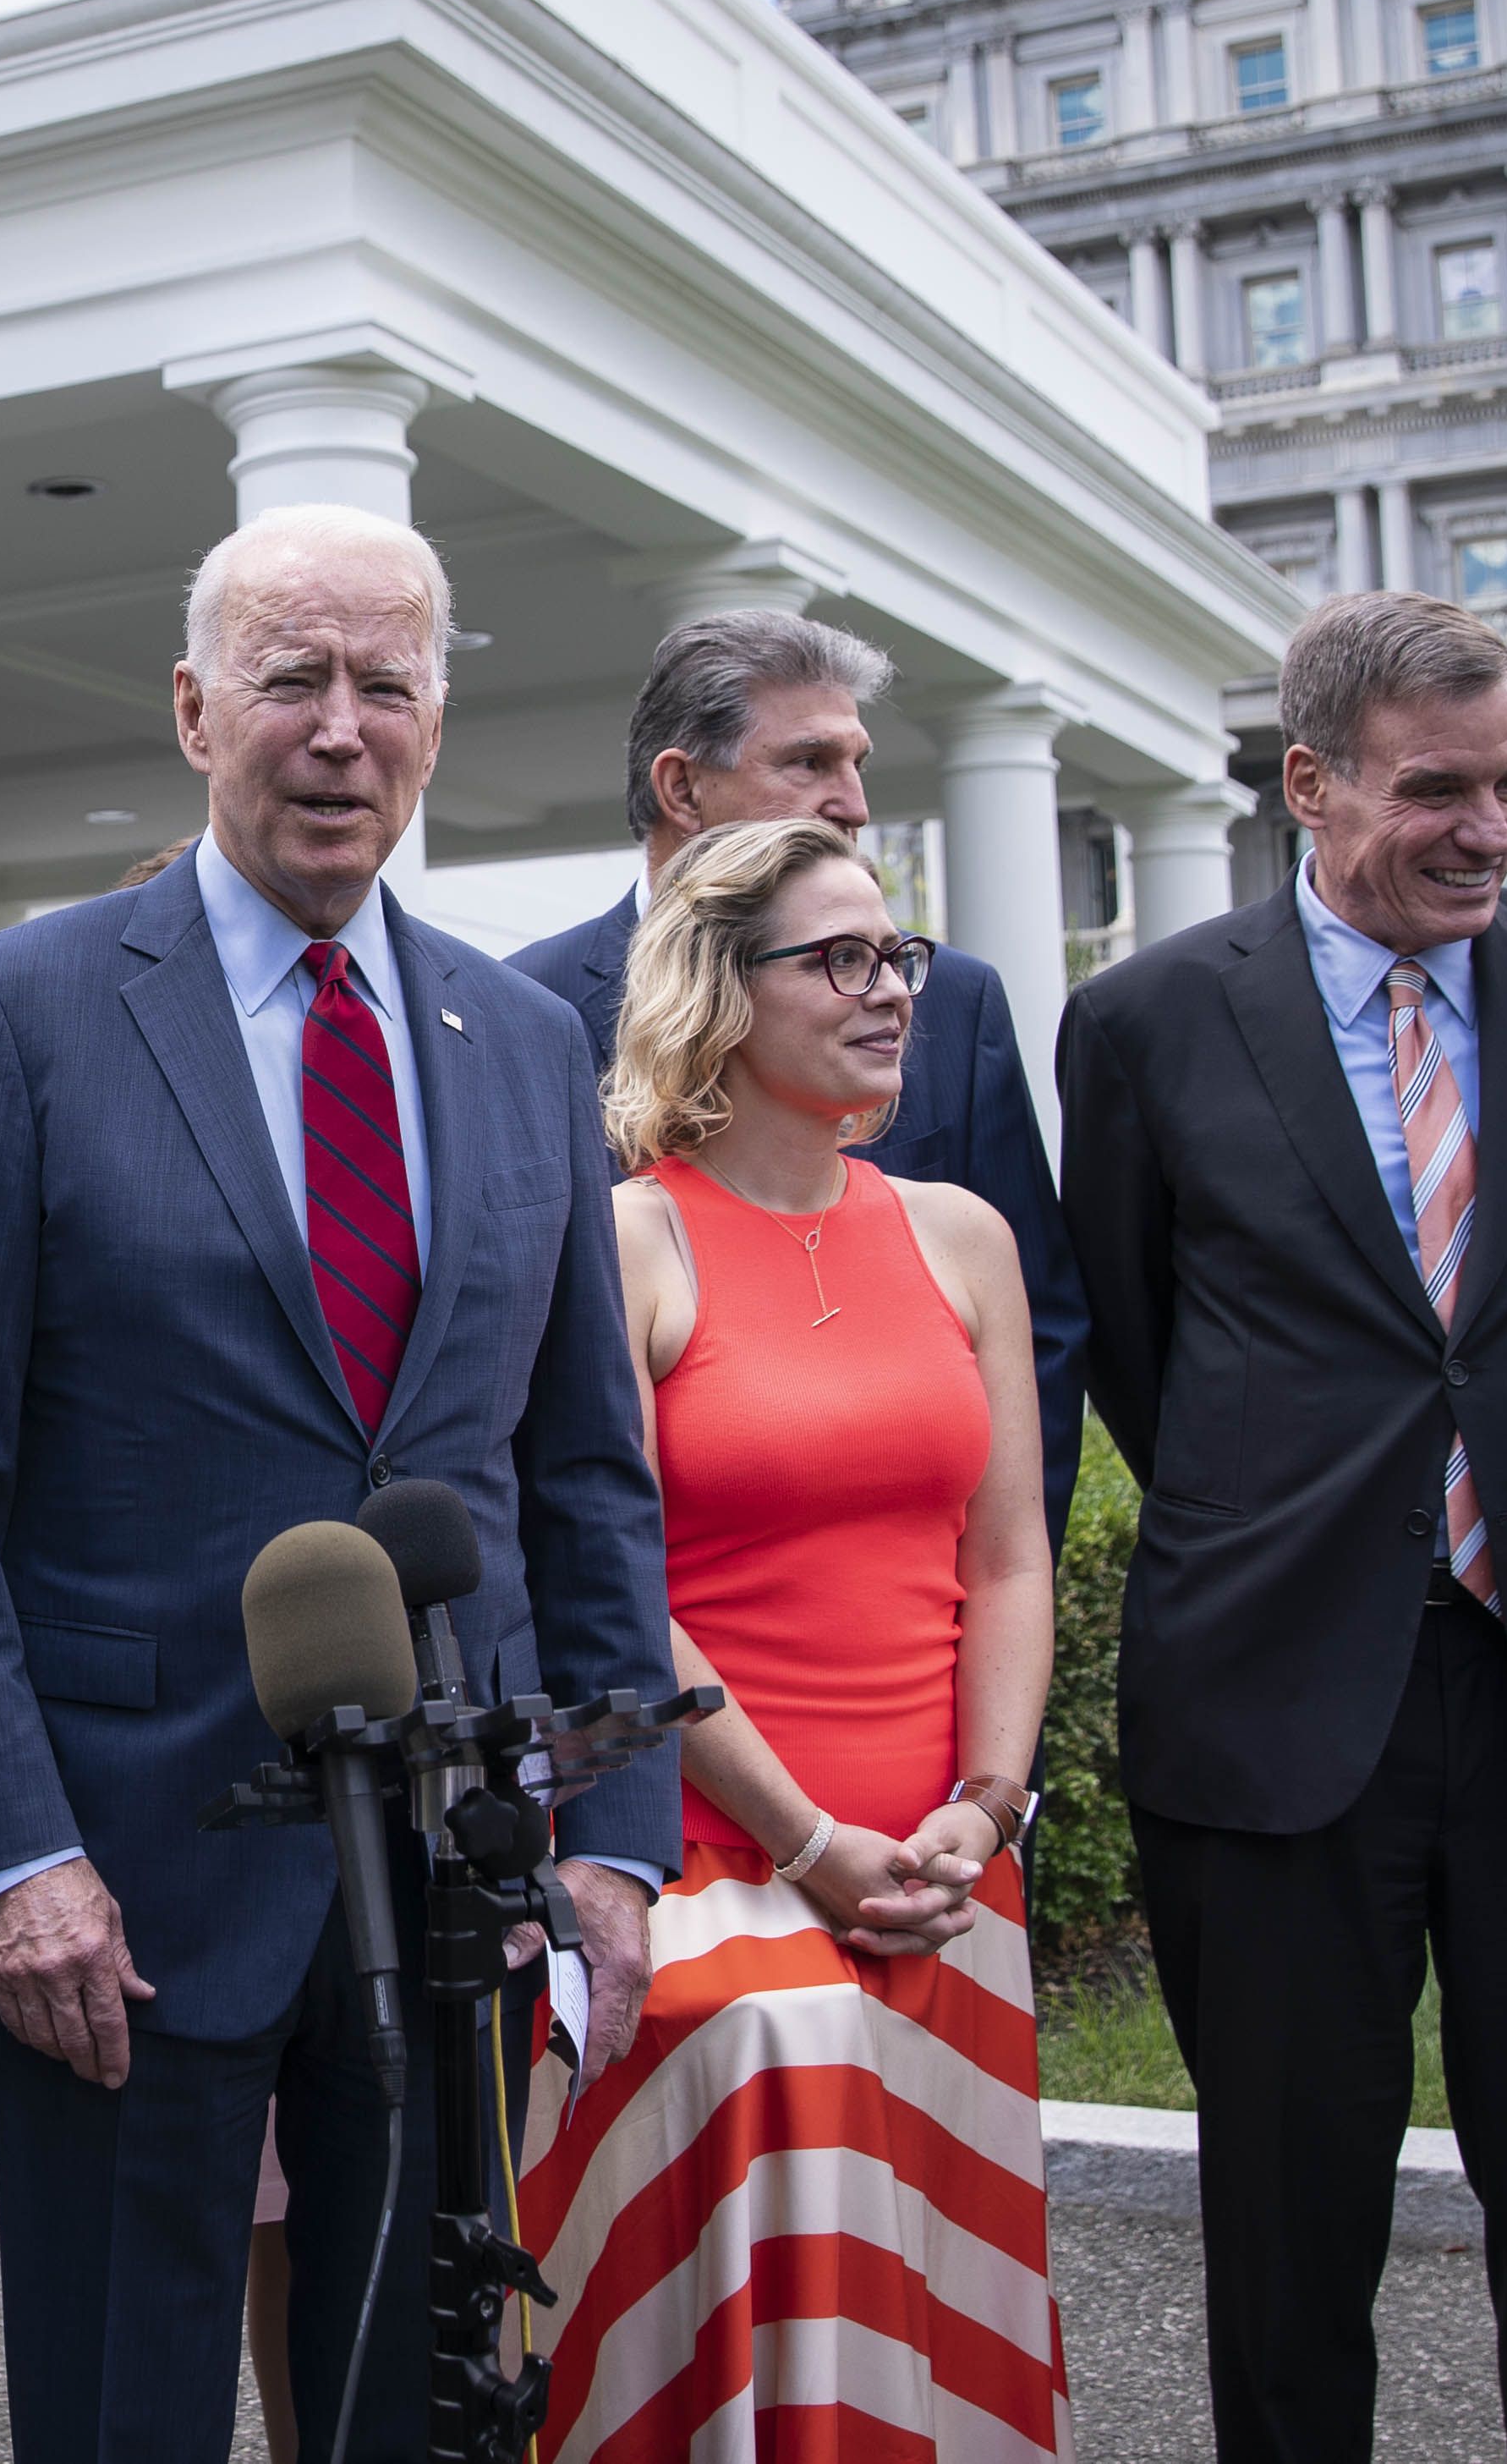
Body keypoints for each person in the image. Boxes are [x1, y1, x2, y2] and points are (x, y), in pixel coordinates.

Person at [0, 505, 677, 2464]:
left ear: (434, 722)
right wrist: (9, 1852)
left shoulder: (522, 1040)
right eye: (289, 680)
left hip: (453, 1865)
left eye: (381, 685)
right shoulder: (25, 1014)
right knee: (123, 2409)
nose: (336, 729)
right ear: (191, 708)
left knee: (411, 2402)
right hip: (124, 1880)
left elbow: (583, 1476)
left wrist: (614, 1829)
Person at [1055, 590, 1507, 2464]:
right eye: (1437, 789)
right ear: (1307, 785)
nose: (1488, 828)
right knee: (1285, 2234)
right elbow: (1141, 1342)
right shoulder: (1148, 1019)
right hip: (1270, 1707)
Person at [521, 815, 1065, 2459]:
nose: (889, 989)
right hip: (702, 1866)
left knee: (924, 2328)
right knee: (791, 2052)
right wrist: (811, 1842)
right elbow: (609, 1587)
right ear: (716, 991)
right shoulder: (628, 1240)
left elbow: (1012, 1555)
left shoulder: (959, 1234)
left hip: (946, 1865)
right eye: (835, 957)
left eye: (891, 953)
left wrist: (984, 1805)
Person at [507, 611, 1091, 1530]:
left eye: (857, 761)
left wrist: (1002, 1600)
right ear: (682, 788)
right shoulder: (524, 1012)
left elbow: (1043, 1335)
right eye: (811, 762)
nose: (855, 802)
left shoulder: (952, 999)